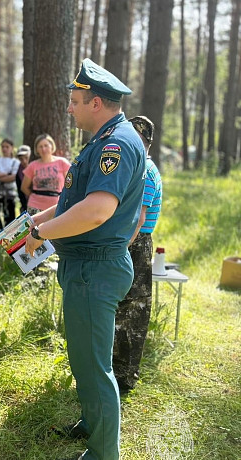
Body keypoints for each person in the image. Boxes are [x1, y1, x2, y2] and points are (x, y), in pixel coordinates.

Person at [25, 58, 146, 460]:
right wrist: (36, 219)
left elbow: (96, 211)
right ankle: (93, 423)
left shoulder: (117, 144)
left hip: (96, 268)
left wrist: (41, 234)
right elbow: (71, 202)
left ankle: (103, 454)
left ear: (96, 103)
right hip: (85, 267)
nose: (69, 108)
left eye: (75, 101)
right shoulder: (100, 140)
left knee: (95, 367)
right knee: (84, 359)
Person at [112, 115, 163, 394]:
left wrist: (120, 248)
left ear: (145, 143)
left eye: (136, 140)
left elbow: (139, 218)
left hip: (136, 243)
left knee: (133, 311)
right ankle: (116, 371)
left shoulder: (145, 170)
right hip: (131, 241)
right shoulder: (138, 167)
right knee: (121, 308)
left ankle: (125, 377)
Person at [20, 134, 71, 215]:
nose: (43, 149)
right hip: (35, 206)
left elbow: (70, 184)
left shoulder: (62, 163)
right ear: (37, 149)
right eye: (40, 146)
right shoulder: (32, 165)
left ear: (52, 146)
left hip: (56, 206)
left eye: (46, 145)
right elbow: (24, 187)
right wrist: (35, 197)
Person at [0, 138, 20, 244]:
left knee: (10, 220)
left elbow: (13, 177)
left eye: (7, 147)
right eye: (3, 147)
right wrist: (5, 174)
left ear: (12, 148)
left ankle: (10, 244)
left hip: (9, 194)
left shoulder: (15, 162)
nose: (5, 149)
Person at [15, 145, 31, 214]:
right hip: (26, 203)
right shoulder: (19, 173)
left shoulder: (36, 168)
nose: (24, 161)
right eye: (21, 159)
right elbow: (20, 192)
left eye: (26, 158)